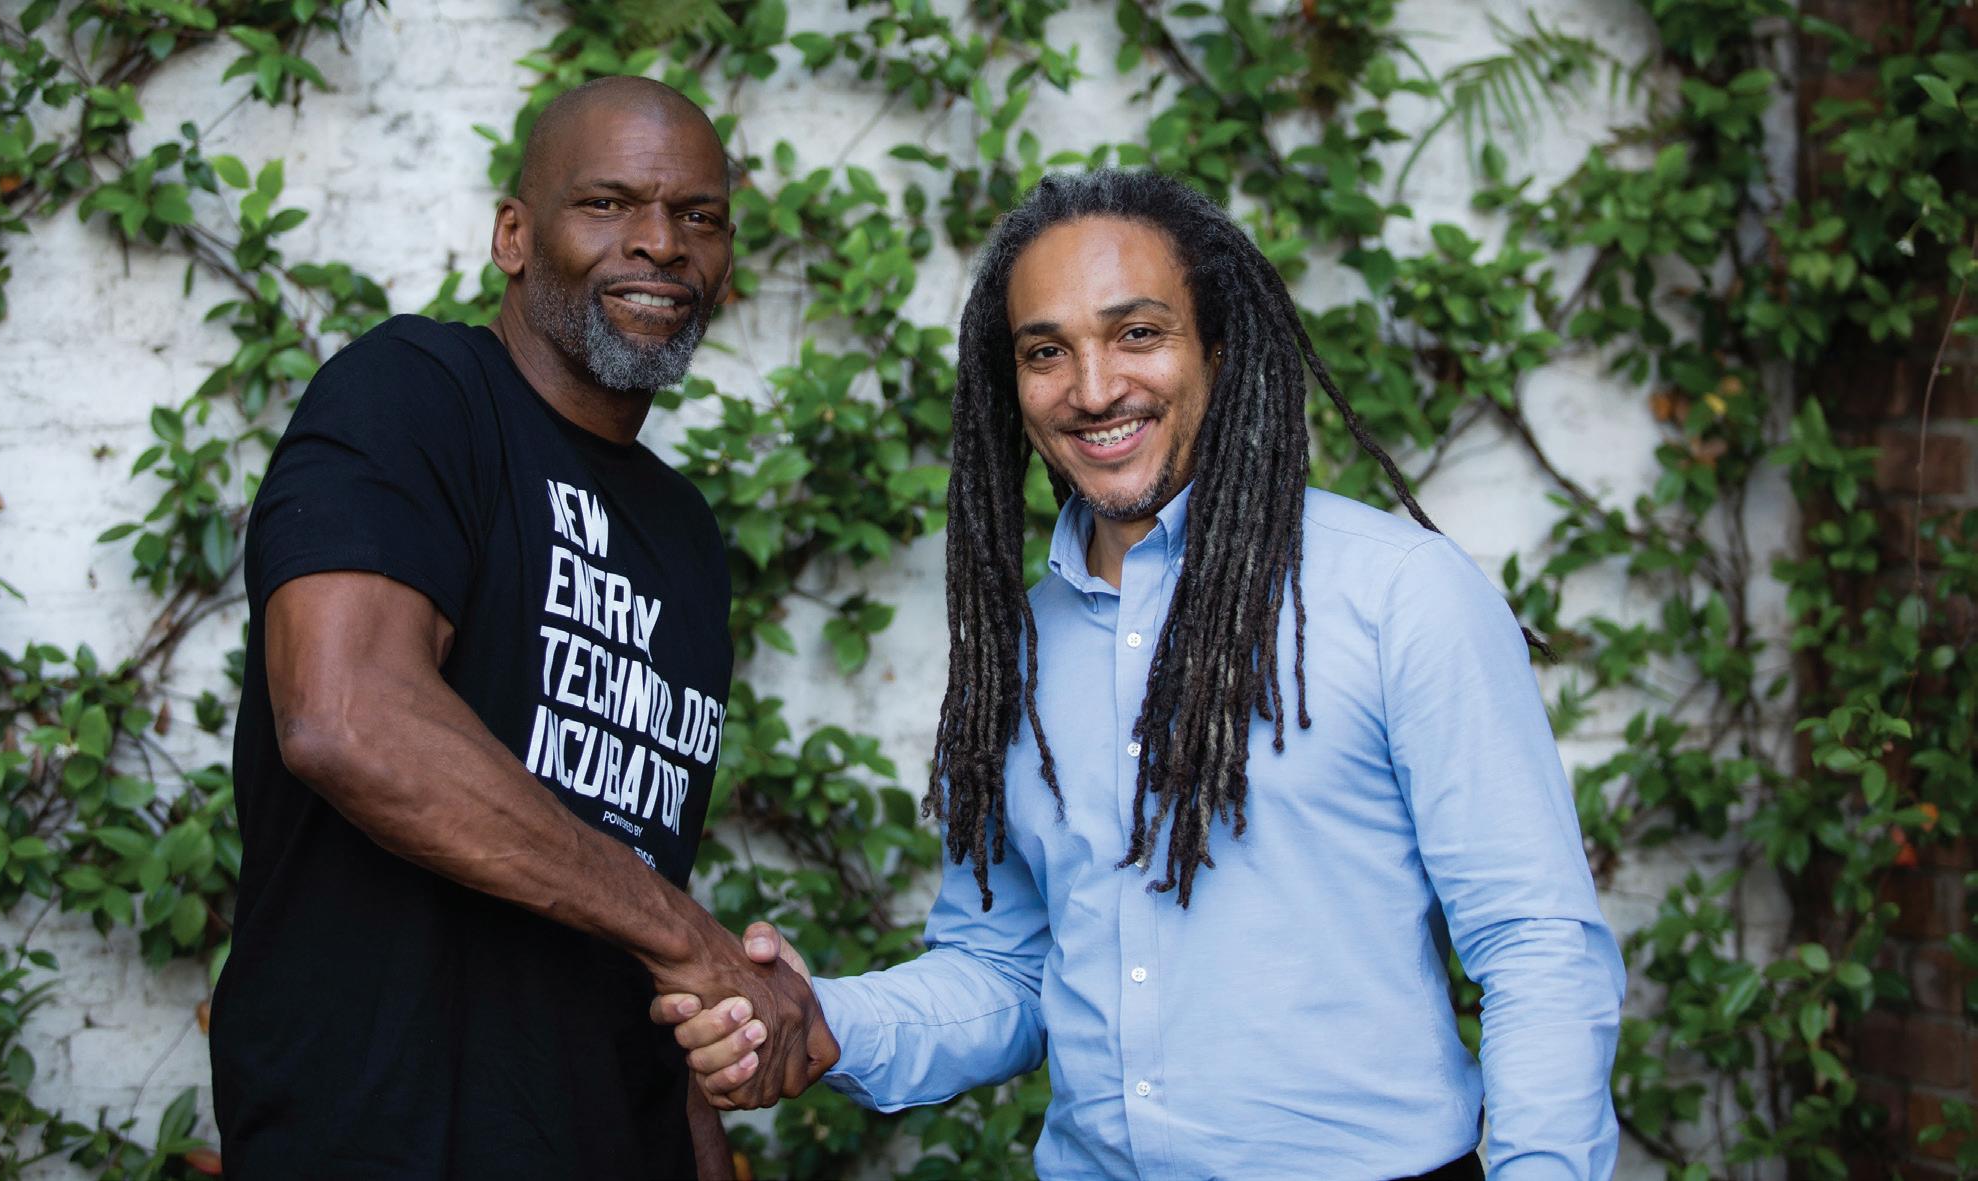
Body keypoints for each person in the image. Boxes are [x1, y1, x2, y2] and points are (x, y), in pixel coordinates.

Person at [654, 170, 1626, 1179]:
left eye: (1137, 333)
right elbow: (1008, 969)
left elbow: (1537, 945)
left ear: (1216, 347)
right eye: (1045, 351)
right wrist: (821, 1017)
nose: (1092, 388)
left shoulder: (1400, 595)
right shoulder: (1016, 652)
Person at [210, 76, 831, 1181]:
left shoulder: (684, 534)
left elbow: (638, 883)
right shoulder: (415, 394)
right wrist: (689, 935)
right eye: (607, 203)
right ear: (513, 235)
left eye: (699, 216)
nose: (661, 243)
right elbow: (347, 716)